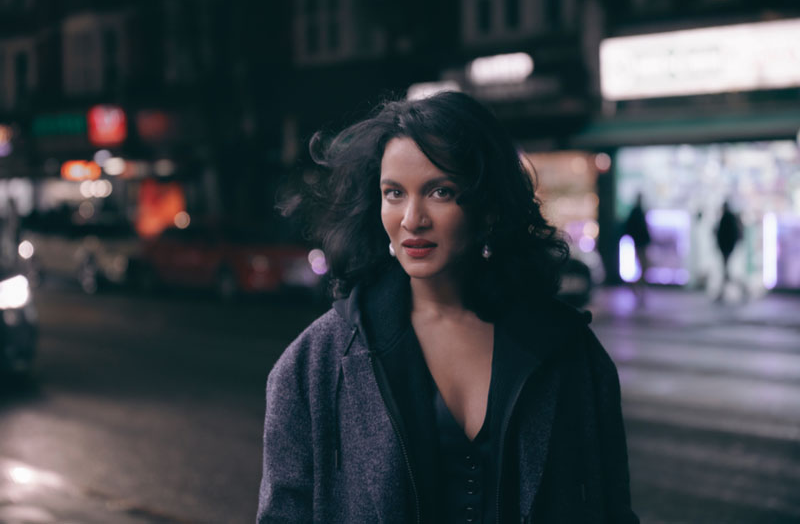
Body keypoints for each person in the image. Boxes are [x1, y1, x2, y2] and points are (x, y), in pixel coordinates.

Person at [257, 92, 638, 523]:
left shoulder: (571, 353)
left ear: (489, 206)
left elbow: (613, 511)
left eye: (441, 191)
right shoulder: (314, 364)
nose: (412, 218)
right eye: (394, 193)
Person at [623, 193, 651, 301]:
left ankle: (637, 287)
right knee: (643, 267)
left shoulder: (637, 211)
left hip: (640, 243)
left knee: (643, 267)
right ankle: (636, 286)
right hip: (640, 243)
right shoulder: (637, 211)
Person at [715, 200, 744, 301]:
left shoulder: (727, 218)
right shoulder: (729, 218)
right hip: (727, 249)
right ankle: (721, 293)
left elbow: (724, 235)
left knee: (727, 272)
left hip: (726, 249)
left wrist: (723, 247)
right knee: (726, 272)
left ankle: (742, 289)